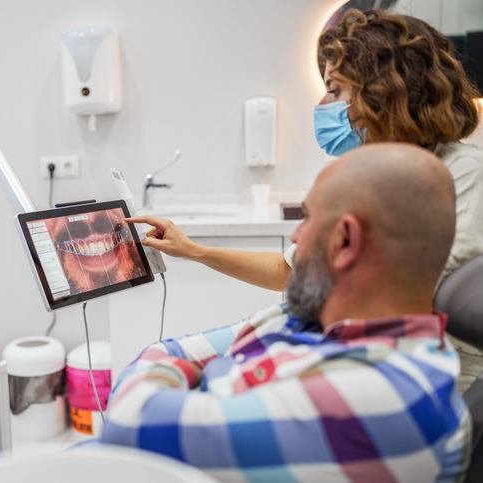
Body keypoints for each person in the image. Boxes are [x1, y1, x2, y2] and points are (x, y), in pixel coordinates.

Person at [129, 8, 483, 391]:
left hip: (413, 373)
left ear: (381, 92)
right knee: (167, 366)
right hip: (346, 348)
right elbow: (292, 271)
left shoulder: (462, 174)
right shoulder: (368, 175)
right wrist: (194, 250)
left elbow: (411, 298)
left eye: (334, 89)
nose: (322, 103)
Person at [103, 143, 470, 482]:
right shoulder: (315, 314)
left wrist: (188, 377)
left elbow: (127, 420)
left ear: (344, 241)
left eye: (307, 218)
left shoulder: (388, 395)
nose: (295, 237)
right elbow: (172, 352)